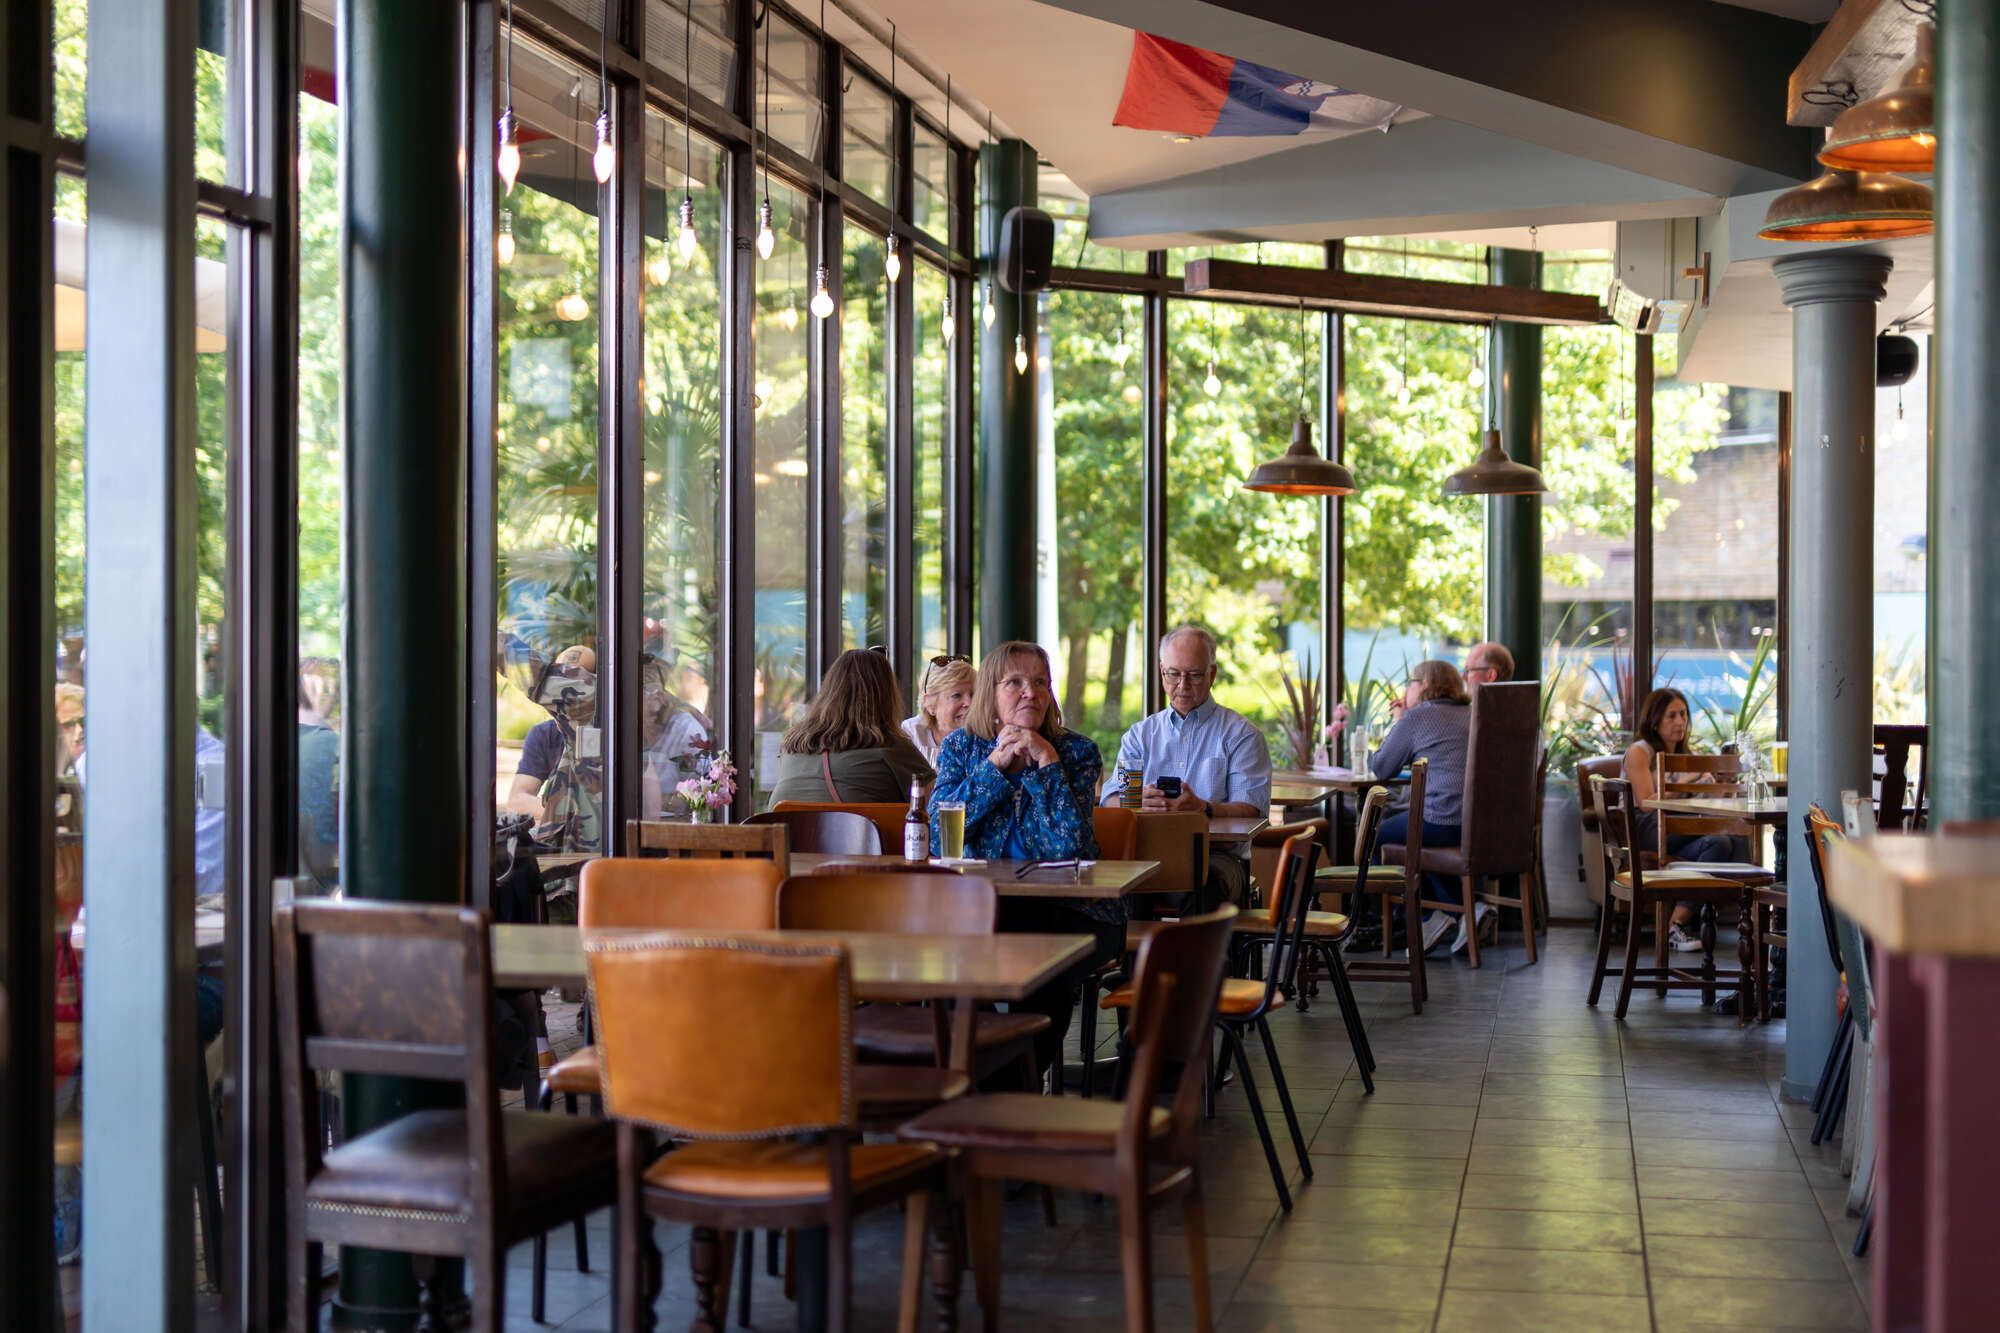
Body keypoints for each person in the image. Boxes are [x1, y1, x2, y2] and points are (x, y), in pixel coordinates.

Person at [930, 641, 1111, 1072]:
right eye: (1015, 682)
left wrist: (1046, 765)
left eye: (1040, 682)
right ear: (990, 692)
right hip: (983, 908)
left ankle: (1014, 1085)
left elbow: (1067, 847)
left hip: (1070, 910)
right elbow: (938, 835)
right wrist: (994, 768)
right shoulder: (962, 749)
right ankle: (992, 1079)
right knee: (954, 969)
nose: (1030, 692)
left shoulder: (1077, 753)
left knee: (1045, 969)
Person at [1099, 624, 1271, 909]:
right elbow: (1110, 800)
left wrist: (1203, 808)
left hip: (1216, 856)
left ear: (1212, 674)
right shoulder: (1140, 736)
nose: (1182, 685)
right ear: (1161, 671)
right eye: (1174, 674)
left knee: (1202, 888)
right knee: (1118, 891)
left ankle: (1198, 955)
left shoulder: (1242, 735)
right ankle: (1134, 955)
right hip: (1146, 854)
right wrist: (1135, 800)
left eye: (1193, 675)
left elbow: (1250, 808)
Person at [1359, 660, 1481, 956]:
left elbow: (1382, 768)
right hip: (1477, 825)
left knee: (1375, 837)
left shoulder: (1417, 718)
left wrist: (1401, 720)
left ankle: (1410, 923)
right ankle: (1463, 912)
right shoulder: (1474, 713)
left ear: (1424, 684)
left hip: (1440, 820)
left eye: (1410, 682)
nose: (1406, 688)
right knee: (1418, 843)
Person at [1623, 687, 1750, 953]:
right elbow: (1646, 803)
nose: (1680, 722)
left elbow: (1704, 805)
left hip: (1679, 830)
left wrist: (1723, 785)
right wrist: (1686, 782)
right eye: (1671, 716)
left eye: (1683, 715)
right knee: (1725, 832)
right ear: (1655, 721)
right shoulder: (1639, 752)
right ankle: (1745, 914)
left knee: (1722, 842)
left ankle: (1675, 925)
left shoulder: (1687, 757)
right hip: (1646, 826)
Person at [767, 648, 934, 806]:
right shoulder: (891, 747)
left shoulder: (792, 746)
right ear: (885, 697)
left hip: (787, 835)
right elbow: (939, 805)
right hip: (858, 836)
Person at [507, 644, 604, 851]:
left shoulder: (609, 735)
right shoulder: (543, 734)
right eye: (560, 675)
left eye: (575, 678)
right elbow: (517, 800)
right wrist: (561, 812)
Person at [902, 653, 976, 767]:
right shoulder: (912, 734)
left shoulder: (984, 736)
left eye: (973, 694)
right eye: (957, 695)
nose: (969, 703)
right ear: (931, 704)